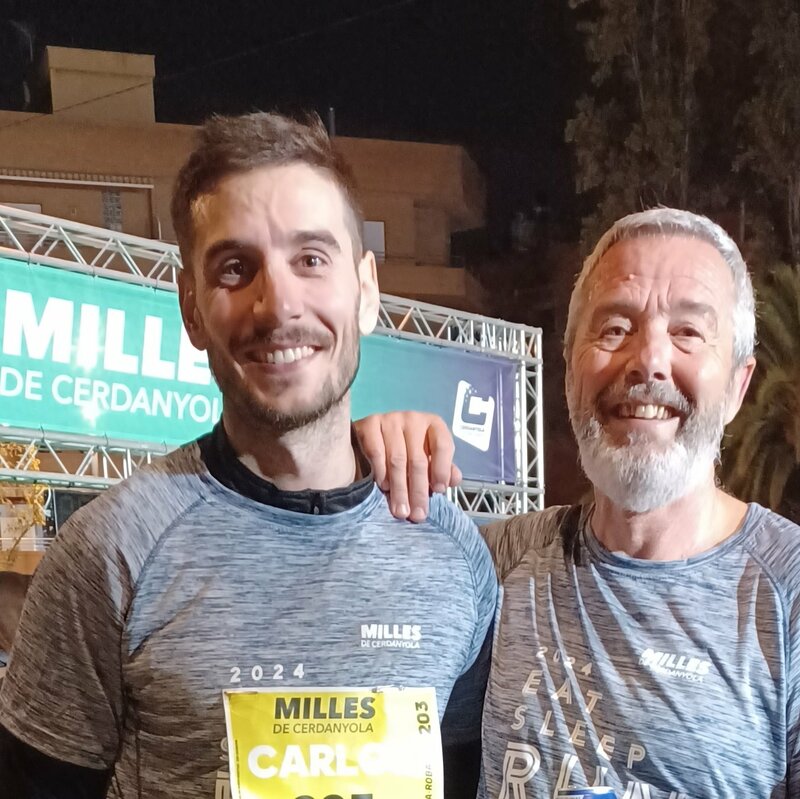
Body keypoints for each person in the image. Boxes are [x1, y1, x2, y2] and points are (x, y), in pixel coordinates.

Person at [0, 111, 496, 799]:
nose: (278, 304)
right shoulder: (110, 552)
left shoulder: (454, 554)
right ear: (192, 308)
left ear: (367, 291)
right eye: (236, 268)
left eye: (311, 259)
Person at [356, 208, 800, 798]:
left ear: (739, 386)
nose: (648, 360)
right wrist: (357, 473)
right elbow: (351, 675)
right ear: (570, 372)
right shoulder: (495, 564)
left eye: (688, 333)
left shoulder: (787, 592)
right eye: (614, 328)